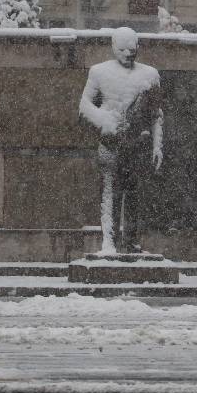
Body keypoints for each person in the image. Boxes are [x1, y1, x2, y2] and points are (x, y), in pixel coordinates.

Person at [79, 27, 164, 254]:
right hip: (111, 144)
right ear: (114, 48)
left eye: (132, 49)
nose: (128, 54)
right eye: (123, 49)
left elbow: (156, 114)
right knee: (110, 194)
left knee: (135, 196)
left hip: (138, 145)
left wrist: (157, 145)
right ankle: (110, 242)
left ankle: (132, 241)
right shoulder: (99, 72)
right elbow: (84, 105)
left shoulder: (150, 75)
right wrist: (104, 121)